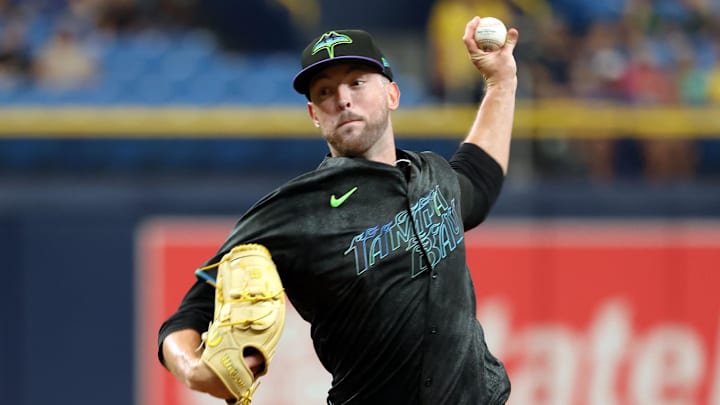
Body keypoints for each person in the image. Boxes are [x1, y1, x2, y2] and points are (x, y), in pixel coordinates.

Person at [158, 16, 519, 405]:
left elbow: (479, 181)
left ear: (392, 95)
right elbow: (187, 316)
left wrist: (501, 83)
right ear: (315, 115)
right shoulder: (296, 208)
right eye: (325, 91)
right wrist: (194, 371)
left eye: (357, 82)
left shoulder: (434, 175)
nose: (343, 99)